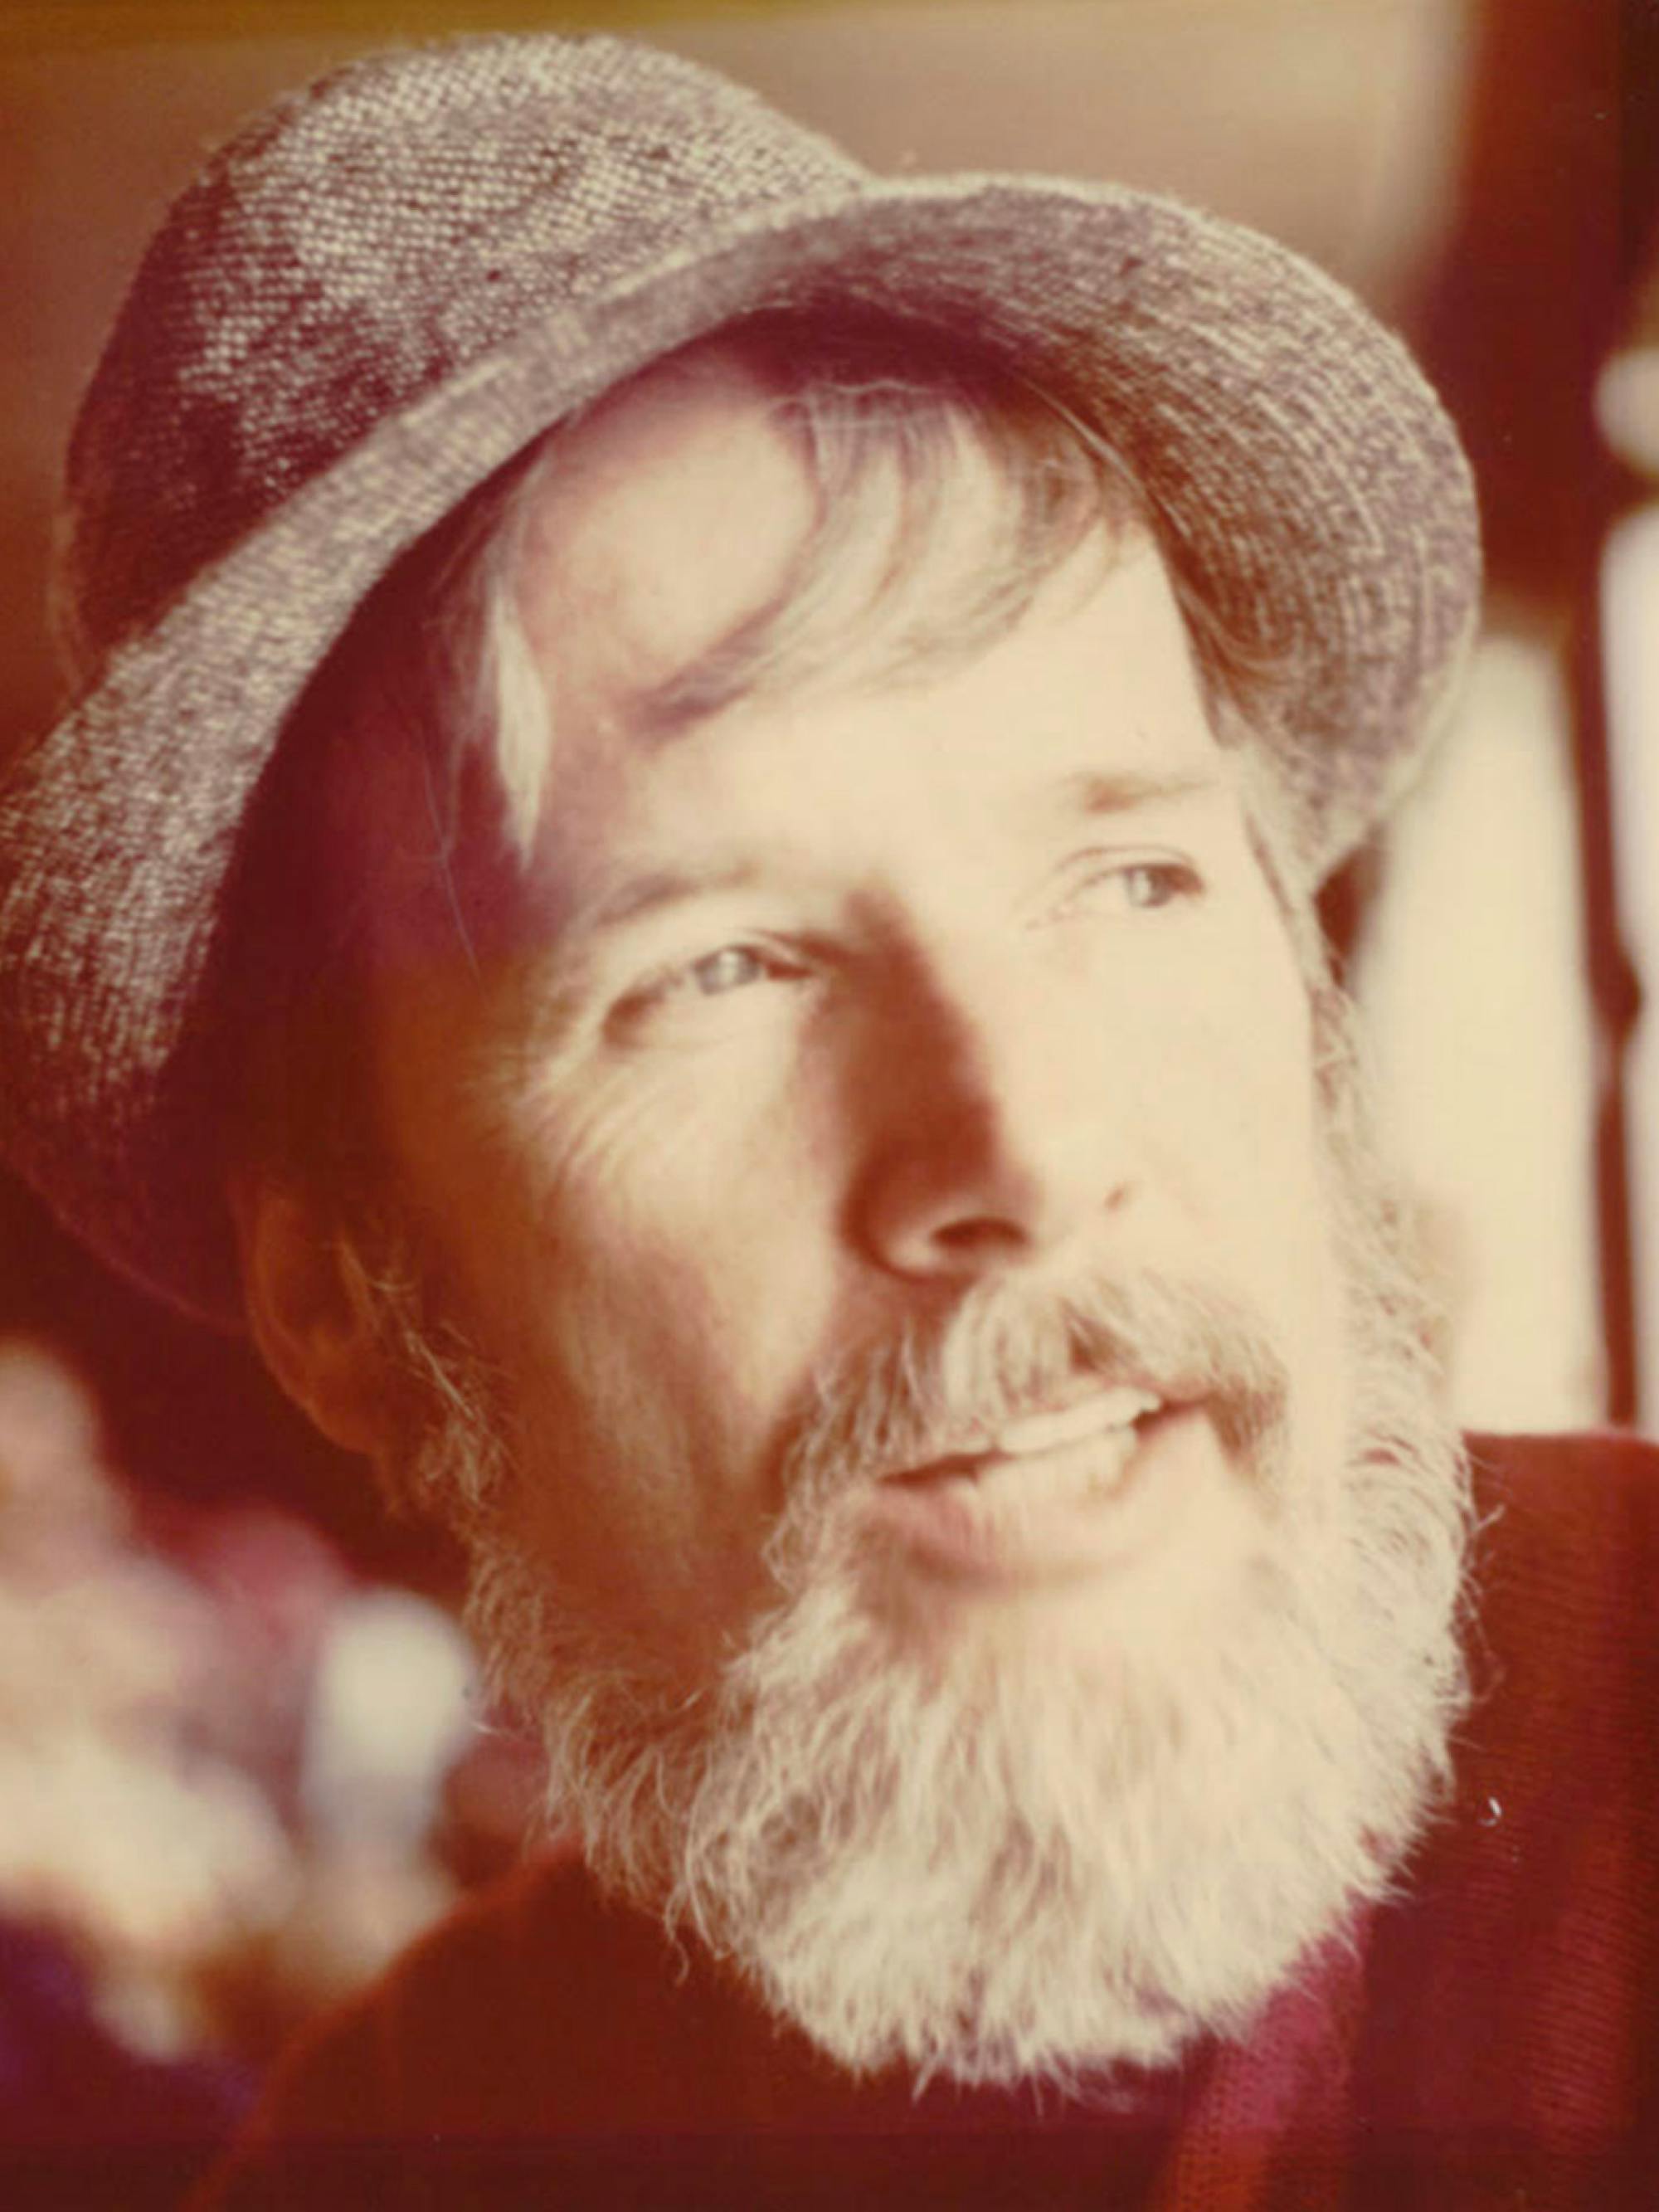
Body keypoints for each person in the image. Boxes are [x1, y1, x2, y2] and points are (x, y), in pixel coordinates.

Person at [0, 30, 1652, 2210]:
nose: (1032, 1152)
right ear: (362, 1320)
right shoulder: (413, 2146)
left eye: (1129, 878)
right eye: (724, 971)